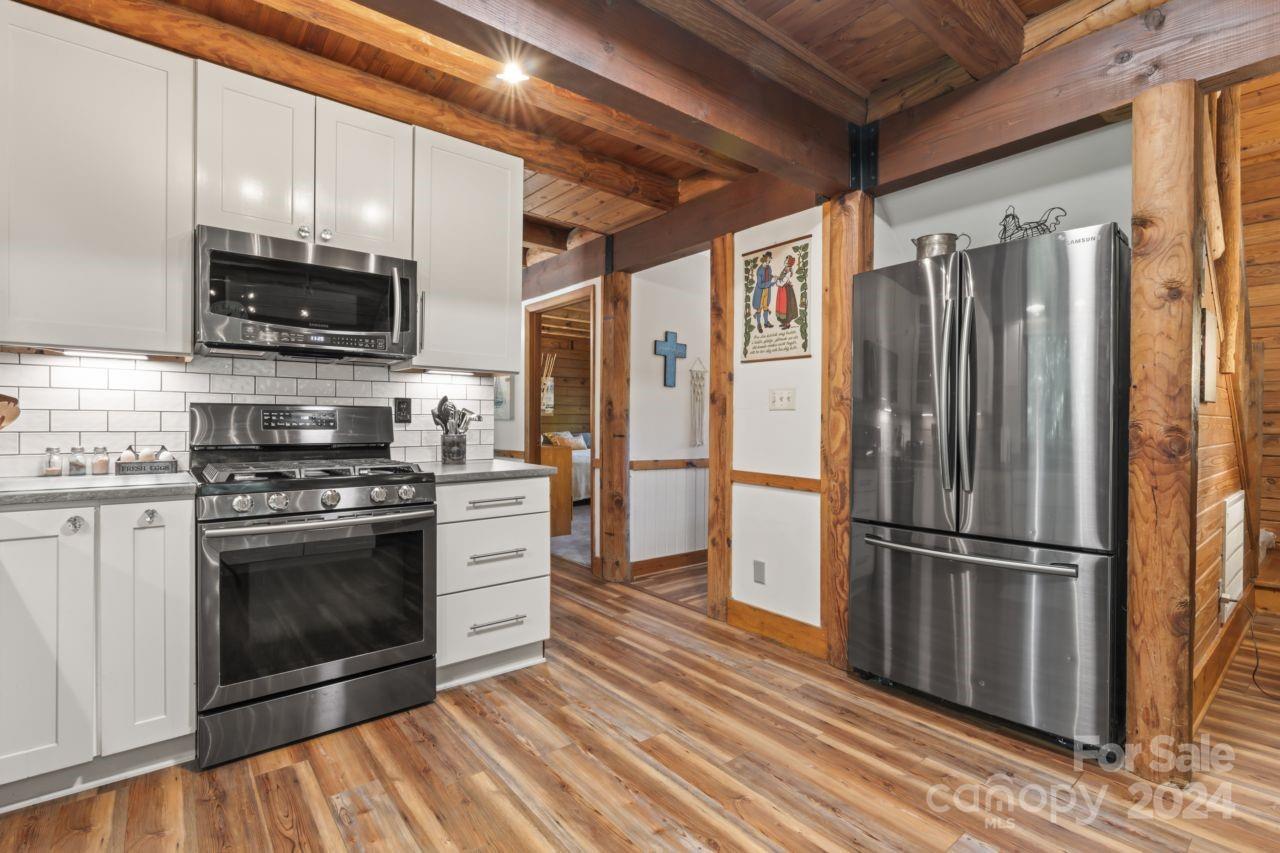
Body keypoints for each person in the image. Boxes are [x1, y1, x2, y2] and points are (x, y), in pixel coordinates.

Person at [751, 251, 774, 332]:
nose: (769, 260)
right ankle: (758, 324)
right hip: (760, 291)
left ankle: (766, 322)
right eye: (768, 258)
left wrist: (774, 278)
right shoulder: (760, 270)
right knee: (759, 308)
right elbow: (760, 284)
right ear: (764, 259)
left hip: (767, 290)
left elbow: (770, 276)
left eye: (770, 259)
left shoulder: (769, 268)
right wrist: (770, 283)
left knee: (766, 307)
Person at [774, 254, 799, 329]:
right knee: (781, 306)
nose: (785, 261)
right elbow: (782, 278)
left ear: (789, 263)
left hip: (786, 291)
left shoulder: (788, 271)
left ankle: (787, 324)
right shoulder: (785, 269)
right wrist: (778, 278)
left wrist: (776, 281)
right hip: (782, 290)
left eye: (786, 260)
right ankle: (783, 322)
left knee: (787, 306)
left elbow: (782, 282)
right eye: (786, 260)